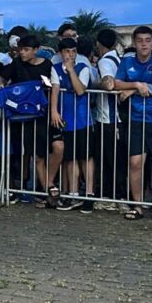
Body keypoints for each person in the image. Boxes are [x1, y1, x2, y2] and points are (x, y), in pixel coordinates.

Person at [106, 26, 152, 220]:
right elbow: (117, 83)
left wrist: (137, 89)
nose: (144, 44)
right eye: (140, 40)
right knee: (135, 162)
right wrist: (136, 84)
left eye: (148, 40)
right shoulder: (127, 60)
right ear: (134, 43)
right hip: (136, 118)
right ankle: (138, 205)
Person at [0, 34, 62, 207]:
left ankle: (46, 187)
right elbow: (2, 77)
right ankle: (39, 188)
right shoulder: (16, 63)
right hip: (21, 117)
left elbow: (54, 86)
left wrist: (53, 109)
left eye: (26, 50)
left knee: (43, 152)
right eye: (21, 50)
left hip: (41, 115)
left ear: (36, 50)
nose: (22, 53)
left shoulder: (47, 65)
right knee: (27, 153)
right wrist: (0, 84)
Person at [51, 37, 94, 211]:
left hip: (83, 120)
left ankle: (89, 194)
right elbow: (55, 88)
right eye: (67, 51)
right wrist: (54, 110)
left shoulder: (83, 68)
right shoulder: (55, 69)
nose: (71, 55)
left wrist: (70, 71)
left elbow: (80, 89)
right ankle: (73, 194)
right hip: (66, 120)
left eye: (73, 51)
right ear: (61, 53)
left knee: (86, 157)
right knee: (70, 158)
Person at [91, 28, 122, 212]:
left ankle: (109, 196)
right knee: (114, 158)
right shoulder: (118, 58)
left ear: (98, 44)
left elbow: (109, 84)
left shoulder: (104, 62)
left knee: (107, 159)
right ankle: (116, 195)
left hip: (108, 117)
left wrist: (97, 84)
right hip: (116, 117)